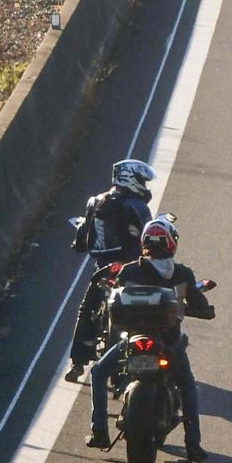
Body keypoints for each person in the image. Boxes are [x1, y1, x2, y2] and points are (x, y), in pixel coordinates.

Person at [87, 219, 215, 461]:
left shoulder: (129, 271)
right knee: (187, 384)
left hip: (132, 339)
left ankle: (99, 431)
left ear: (144, 242)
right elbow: (201, 305)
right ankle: (193, 443)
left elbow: (112, 297)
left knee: (99, 372)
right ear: (171, 243)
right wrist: (206, 311)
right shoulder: (182, 274)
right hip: (169, 342)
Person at [65, 159, 157, 381]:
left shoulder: (95, 202)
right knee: (145, 310)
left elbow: (83, 236)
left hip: (103, 268)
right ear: (131, 179)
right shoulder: (137, 206)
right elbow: (150, 237)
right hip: (131, 268)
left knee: (86, 310)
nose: (145, 185)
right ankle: (144, 355)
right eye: (142, 181)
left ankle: (77, 364)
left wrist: (79, 245)